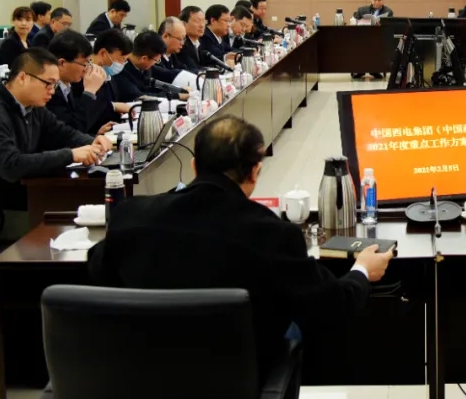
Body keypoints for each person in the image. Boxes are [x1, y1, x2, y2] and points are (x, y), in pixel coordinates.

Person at [87, 115, 393, 382]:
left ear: (194, 166)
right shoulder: (271, 234)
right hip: (235, 384)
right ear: (255, 171)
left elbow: (97, 270)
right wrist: (362, 271)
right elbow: (330, 307)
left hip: (139, 380)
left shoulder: (131, 216)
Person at [0, 49, 111, 245]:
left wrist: (92, 142)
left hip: (12, 203)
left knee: (84, 215)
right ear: (23, 78)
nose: (52, 90)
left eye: (55, 84)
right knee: (73, 227)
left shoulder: (31, 106)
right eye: (48, 83)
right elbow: (12, 166)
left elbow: (63, 133)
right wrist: (71, 155)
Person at [46, 30, 117, 136]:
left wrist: (95, 134)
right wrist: (90, 91)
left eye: (89, 62)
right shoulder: (50, 90)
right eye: (84, 63)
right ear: (62, 63)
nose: (87, 68)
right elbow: (71, 130)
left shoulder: (67, 86)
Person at [84, 29, 133, 132]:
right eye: (121, 60)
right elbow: (86, 113)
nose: (122, 64)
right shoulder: (85, 76)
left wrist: (115, 109)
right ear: (103, 53)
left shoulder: (108, 75)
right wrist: (113, 107)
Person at [111, 31, 169, 102]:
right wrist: (174, 96)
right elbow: (139, 97)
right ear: (144, 58)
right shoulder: (120, 71)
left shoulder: (145, 66)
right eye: (156, 60)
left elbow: (166, 74)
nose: (155, 63)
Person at [352, 0, 392, 79]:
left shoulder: (388, 11)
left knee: (377, 44)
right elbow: (354, 21)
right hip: (363, 36)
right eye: (375, 0)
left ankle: (375, 70)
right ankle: (360, 70)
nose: (376, 2)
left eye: (379, 0)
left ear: (383, 0)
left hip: (379, 37)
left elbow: (390, 27)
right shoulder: (362, 10)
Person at [153, 16, 189, 82]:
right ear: (165, 36)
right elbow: (166, 74)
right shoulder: (153, 54)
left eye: (184, 39)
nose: (182, 43)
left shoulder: (172, 55)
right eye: (180, 39)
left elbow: (184, 69)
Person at [178, 5, 205, 70]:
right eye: (197, 21)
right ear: (184, 24)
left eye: (203, 21)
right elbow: (192, 68)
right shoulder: (181, 44)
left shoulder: (201, 41)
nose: (202, 25)